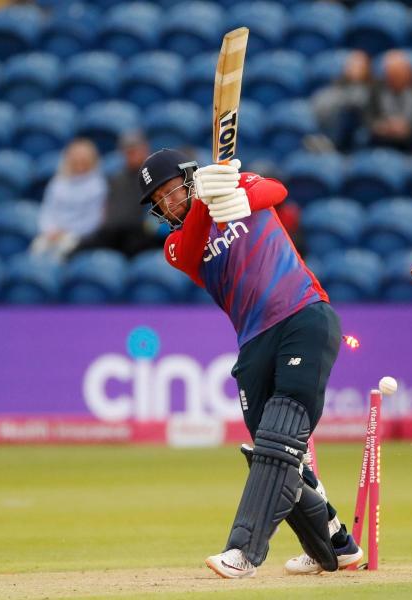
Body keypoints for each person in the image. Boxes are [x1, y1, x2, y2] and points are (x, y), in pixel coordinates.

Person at [136, 149, 363, 578]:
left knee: (278, 440)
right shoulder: (174, 246)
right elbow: (189, 250)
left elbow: (277, 190)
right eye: (159, 199)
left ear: (189, 177)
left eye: (171, 190)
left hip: (303, 315)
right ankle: (335, 545)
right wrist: (205, 201)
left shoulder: (238, 187)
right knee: (279, 457)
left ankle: (243, 552)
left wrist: (238, 197)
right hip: (254, 341)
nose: (167, 203)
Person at [68, 131, 163, 258]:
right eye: (128, 152)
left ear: (145, 150)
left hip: (140, 232)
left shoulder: (157, 176)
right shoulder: (116, 179)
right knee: (80, 249)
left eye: (135, 150)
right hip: (114, 233)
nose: (131, 155)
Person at [30, 138, 106, 261]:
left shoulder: (98, 186)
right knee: (37, 249)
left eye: (83, 160)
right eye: (75, 159)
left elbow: (93, 220)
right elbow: (47, 210)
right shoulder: (57, 182)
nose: (79, 163)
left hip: (77, 237)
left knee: (61, 252)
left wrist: (66, 232)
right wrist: (50, 229)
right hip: (52, 233)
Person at [366, 50, 412, 152]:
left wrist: (408, 127)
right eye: (391, 75)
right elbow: (368, 116)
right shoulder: (376, 88)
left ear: (409, 73)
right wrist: (381, 126)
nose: (394, 79)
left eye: (398, 75)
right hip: (384, 133)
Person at [310, 50, 373, 152]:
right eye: (351, 65)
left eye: (360, 66)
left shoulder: (375, 91)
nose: (354, 69)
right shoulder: (334, 89)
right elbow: (320, 104)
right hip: (334, 130)